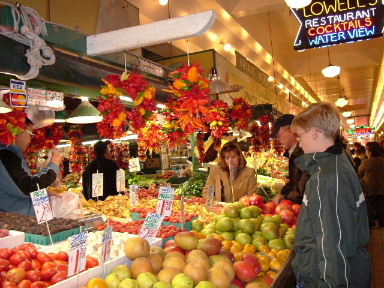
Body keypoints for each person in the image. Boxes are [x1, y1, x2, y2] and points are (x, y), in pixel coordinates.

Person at [291, 102, 371, 287]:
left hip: (325, 277)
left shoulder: (326, 179)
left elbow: (333, 245)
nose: (299, 142)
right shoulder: (338, 162)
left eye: (300, 135)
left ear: (314, 132)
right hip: (352, 269)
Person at [0, 118, 62, 215]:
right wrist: (54, 165)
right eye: (30, 134)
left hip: (29, 220)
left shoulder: (14, 156)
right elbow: (28, 187)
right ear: (17, 132)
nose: (30, 140)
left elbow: (24, 187)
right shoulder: (5, 156)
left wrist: (41, 193)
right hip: (17, 224)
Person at [271, 114, 309, 204]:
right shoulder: (292, 154)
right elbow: (293, 182)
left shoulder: (303, 153)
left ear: (291, 130)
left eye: (278, 132)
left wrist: (284, 199)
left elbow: (301, 189)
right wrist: (282, 194)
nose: (277, 137)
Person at [358, 141, 384, 228]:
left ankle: (370, 223)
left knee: (370, 206)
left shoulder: (365, 162)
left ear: (370, 152)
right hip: (381, 187)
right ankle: (382, 221)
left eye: (366, 150)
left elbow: (360, 172)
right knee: (381, 205)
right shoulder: (382, 161)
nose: (366, 152)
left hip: (369, 188)